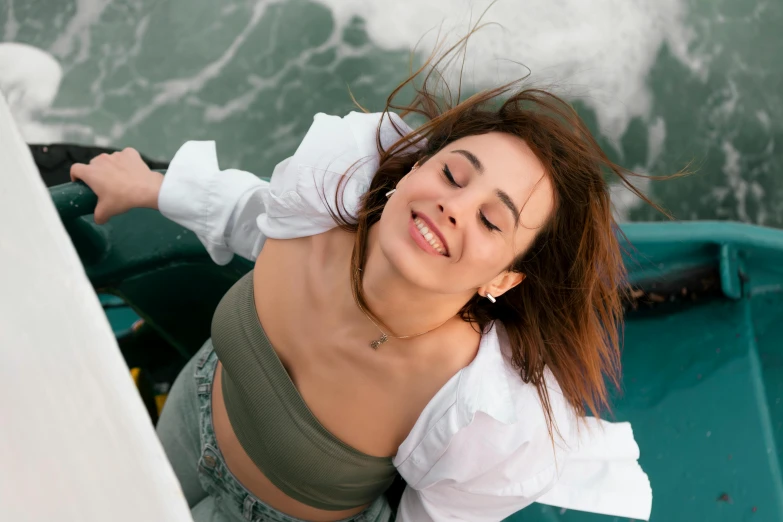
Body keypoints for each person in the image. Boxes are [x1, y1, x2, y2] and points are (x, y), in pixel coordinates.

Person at [70, 40, 659, 522]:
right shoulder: (317, 210)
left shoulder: (471, 409)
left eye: (490, 219)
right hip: (193, 408)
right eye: (453, 173)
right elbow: (255, 213)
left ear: (503, 279)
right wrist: (155, 187)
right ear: (413, 171)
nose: (454, 207)